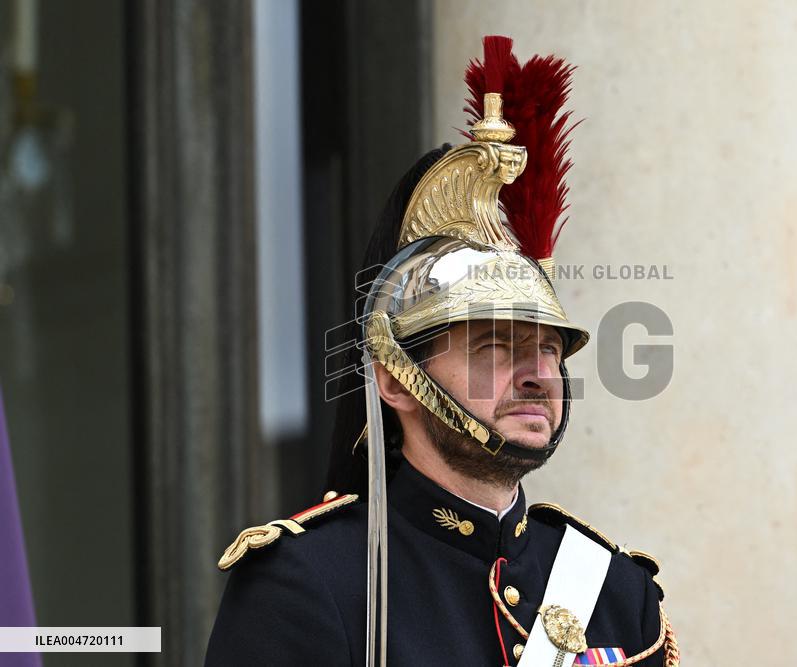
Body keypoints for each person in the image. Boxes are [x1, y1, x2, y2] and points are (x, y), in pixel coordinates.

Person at [205, 36, 680, 666]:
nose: (539, 375)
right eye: (495, 348)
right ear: (395, 379)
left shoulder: (616, 590)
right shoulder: (309, 582)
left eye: (548, 349)